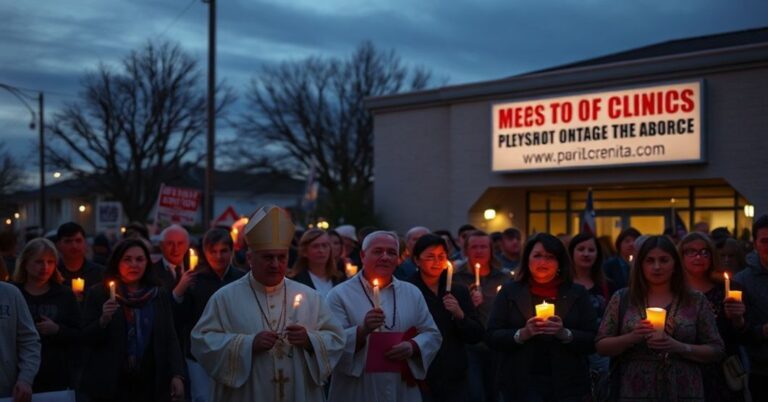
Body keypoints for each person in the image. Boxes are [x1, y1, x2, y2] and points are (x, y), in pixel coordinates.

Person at [191, 205, 345, 402]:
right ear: (249, 258)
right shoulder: (225, 298)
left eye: (281, 257)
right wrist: (248, 344)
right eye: (267, 257)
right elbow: (202, 342)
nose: (275, 264)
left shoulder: (310, 297)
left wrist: (309, 340)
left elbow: (336, 339)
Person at [596, 235, 724, 401]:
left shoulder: (695, 300)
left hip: (684, 390)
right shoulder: (623, 298)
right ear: (640, 265)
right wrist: (631, 337)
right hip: (634, 391)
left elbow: (717, 349)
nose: (657, 267)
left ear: (675, 265)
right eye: (650, 261)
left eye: (664, 260)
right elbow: (601, 345)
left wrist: (679, 347)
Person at [326, 230, 442, 402]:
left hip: (400, 386)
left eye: (391, 252)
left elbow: (432, 334)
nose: (386, 257)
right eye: (378, 251)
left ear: (398, 259)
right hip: (358, 387)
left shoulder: (411, 292)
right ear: (363, 255)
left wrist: (413, 346)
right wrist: (363, 330)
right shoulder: (339, 295)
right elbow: (330, 342)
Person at [486, 233, 596, 401]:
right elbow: (492, 336)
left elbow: (593, 338)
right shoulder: (510, 292)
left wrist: (564, 333)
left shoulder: (577, 293)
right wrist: (522, 334)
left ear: (559, 262)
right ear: (527, 259)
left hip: (567, 382)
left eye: (550, 257)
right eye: (537, 256)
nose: (543, 262)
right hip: (521, 381)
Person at [80, 238, 186, 402]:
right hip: (112, 382)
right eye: (127, 259)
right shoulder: (100, 294)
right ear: (117, 262)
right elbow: (86, 337)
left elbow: (170, 337)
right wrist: (103, 320)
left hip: (150, 381)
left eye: (139, 259)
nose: (134, 265)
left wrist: (177, 374)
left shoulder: (158, 294)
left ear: (147, 263)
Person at [407, 234, 484, 402]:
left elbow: (476, 334)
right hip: (420, 373)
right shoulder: (407, 291)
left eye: (441, 256)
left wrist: (459, 315)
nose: (436, 261)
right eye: (430, 257)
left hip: (454, 374)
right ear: (416, 260)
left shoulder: (458, 291)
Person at [173, 227, 245, 402]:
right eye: (213, 251)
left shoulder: (242, 279)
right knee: (203, 397)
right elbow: (179, 319)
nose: (219, 257)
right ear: (205, 252)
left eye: (223, 251)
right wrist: (179, 292)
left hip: (232, 351)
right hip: (199, 355)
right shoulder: (194, 280)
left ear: (232, 251)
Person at [679, 232, 748, 401]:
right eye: (691, 252)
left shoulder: (727, 289)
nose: (698, 257)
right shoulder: (673, 291)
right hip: (683, 368)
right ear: (680, 256)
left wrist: (738, 319)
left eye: (704, 252)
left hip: (721, 372)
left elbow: (743, 336)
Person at [13, 238, 81, 393]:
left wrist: (57, 330)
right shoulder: (14, 292)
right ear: (25, 262)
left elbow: (79, 334)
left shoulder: (64, 294)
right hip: (18, 373)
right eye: (38, 262)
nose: (45, 267)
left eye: (50, 262)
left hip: (56, 374)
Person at [452, 230, 508, 402]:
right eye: (474, 247)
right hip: (470, 345)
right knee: (476, 393)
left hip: (497, 343)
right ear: (466, 250)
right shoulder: (456, 279)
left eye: (483, 246)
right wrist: (467, 304)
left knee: (497, 393)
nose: (479, 251)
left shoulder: (503, 278)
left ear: (491, 250)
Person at [568, 232, 612, 387]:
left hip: (599, 352)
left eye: (591, 250)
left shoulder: (606, 284)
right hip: (571, 350)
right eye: (581, 249)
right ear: (572, 252)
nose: (586, 254)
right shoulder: (563, 285)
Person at [735, 214, 768, 401]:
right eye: (765, 241)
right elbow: (739, 331)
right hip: (761, 370)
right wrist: (762, 331)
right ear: (755, 244)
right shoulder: (743, 281)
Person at [289, 229, 344, 297]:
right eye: (315, 246)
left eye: (324, 245)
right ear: (304, 252)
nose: (321, 250)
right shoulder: (295, 281)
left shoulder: (340, 279)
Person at [55, 222, 105, 292]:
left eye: (78, 241)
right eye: (68, 241)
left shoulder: (99, 273)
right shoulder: (52, 273)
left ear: (85, 243)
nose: (74, 246)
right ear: (58, 245)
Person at [602, 227, 641, 292]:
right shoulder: (610, 265)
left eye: (635, 240)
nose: (631, 244)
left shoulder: (643, 264)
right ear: (619, 244)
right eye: (627, 241)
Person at [153, 225, 190, 291]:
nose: (175, 249)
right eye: (170, 243)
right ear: (161, 245)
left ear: (187, 245)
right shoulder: (151, 272)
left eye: (180, 243)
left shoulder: (196, 269)